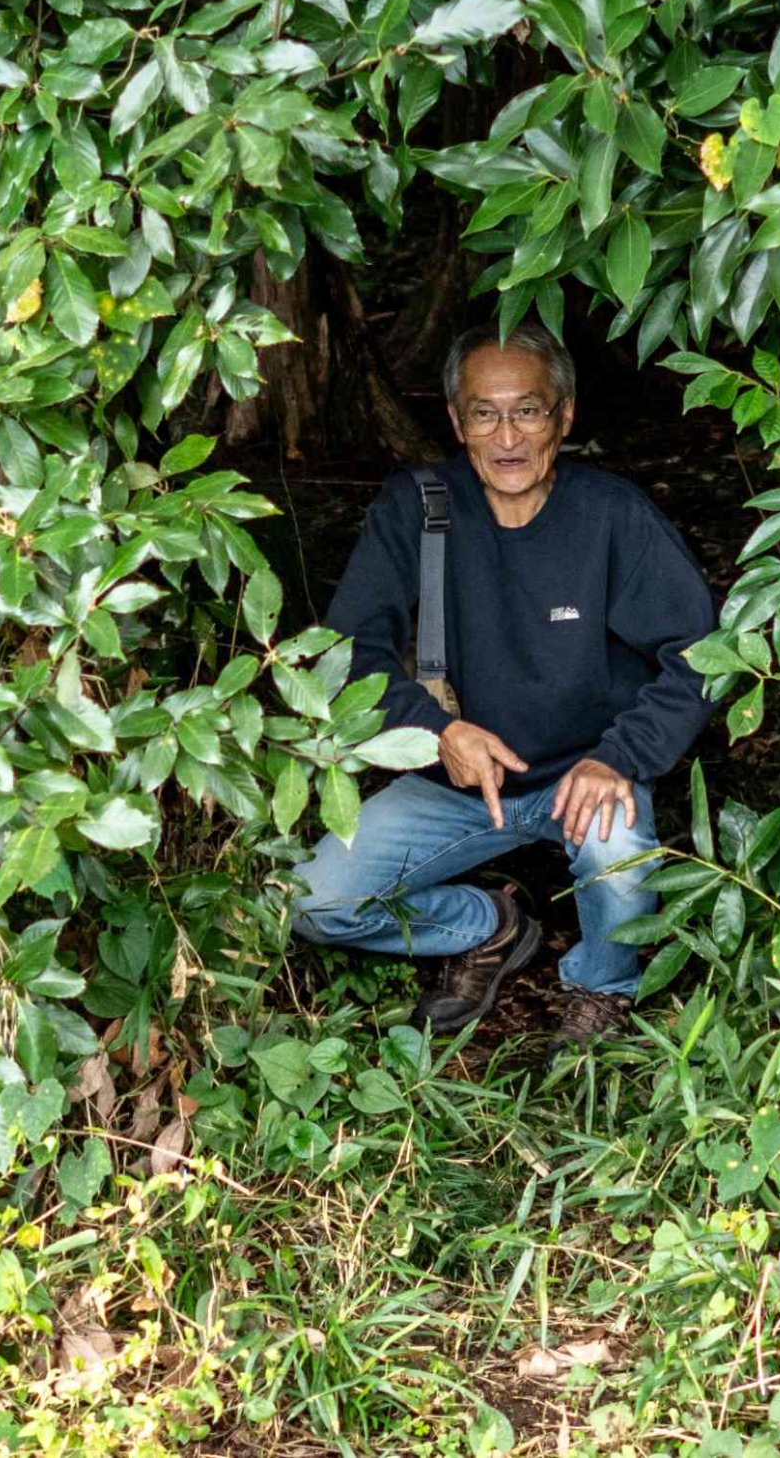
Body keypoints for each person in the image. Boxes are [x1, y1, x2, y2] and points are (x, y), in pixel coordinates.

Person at [291, 320, 718, 1043]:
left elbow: (702, 653)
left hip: (584, 774)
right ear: (458, 422)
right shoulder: (418, 507)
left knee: (618, 861)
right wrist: (435, 732)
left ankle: (600, 990)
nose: (508, 437)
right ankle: (489, 926)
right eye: (485, 413)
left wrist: (620, 757)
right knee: (313, 902)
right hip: (454, 778)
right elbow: (345, 652)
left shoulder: (611, 516)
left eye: (527, 410)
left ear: (564, 415)